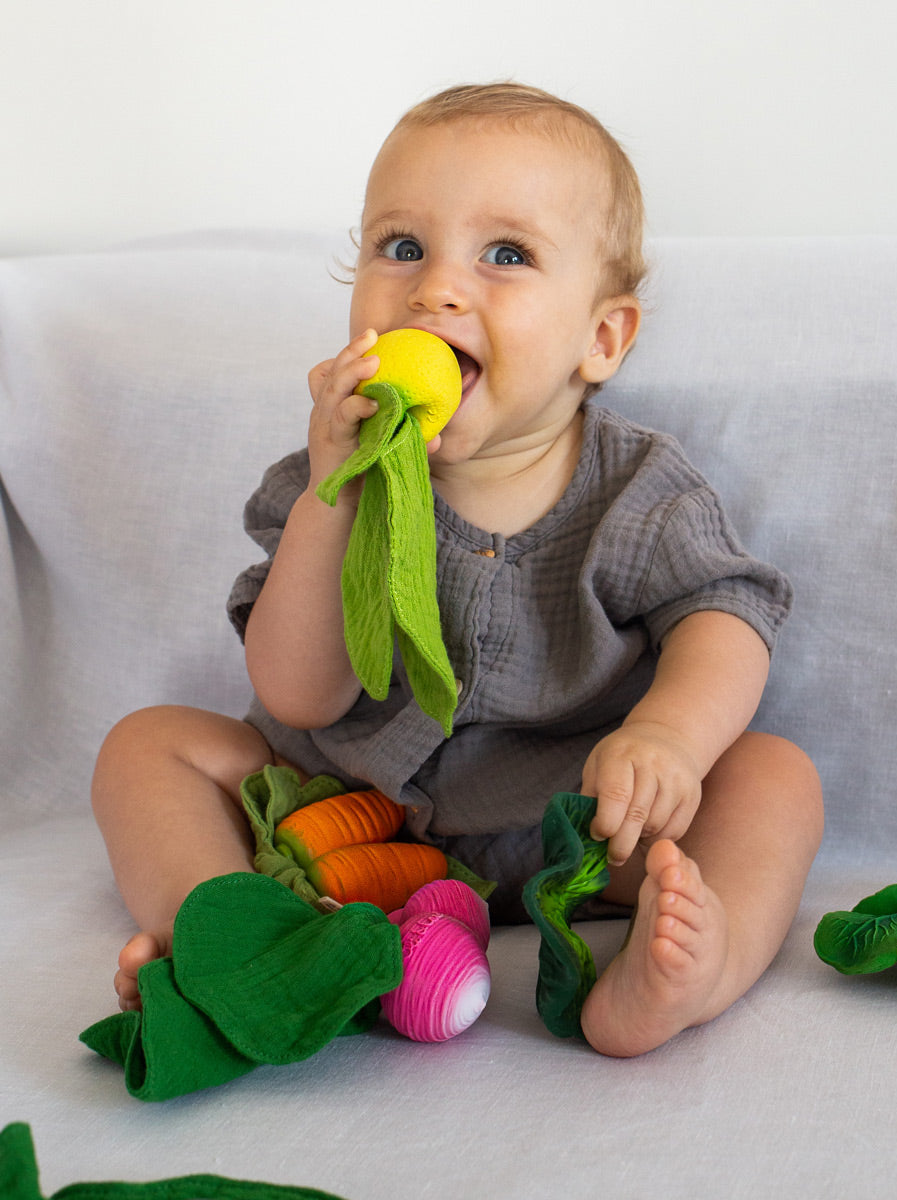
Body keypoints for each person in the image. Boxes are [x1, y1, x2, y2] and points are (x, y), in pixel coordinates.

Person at [91, 82, 822, 1058]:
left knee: (777, 777)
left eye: (506, 255)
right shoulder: (329, 478)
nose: (435, 289)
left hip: (567, 823)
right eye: (402, 248)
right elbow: (299, 693)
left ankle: (694, 969)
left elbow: (726, 611)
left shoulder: (639, 490)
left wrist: (667, 738)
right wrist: (334, 492)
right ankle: (232, 933)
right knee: (148, 746)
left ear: (601, 339)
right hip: (342, 819)